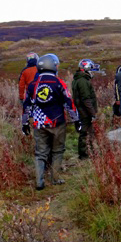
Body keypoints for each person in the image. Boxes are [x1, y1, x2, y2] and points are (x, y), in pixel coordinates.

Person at [22, 53, 80, 190]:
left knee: (40, 153)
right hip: (57, 122)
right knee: (58, 150)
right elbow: (69, 103)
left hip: (39, 124)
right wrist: (76, 120)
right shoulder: (59, 83)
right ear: (53, 66)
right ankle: (55, 178)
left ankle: (39, 181)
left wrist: (24, 123)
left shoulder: (32, 85)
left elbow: (26, 106)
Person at [72, 59, 100, 160]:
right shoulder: (83, 81)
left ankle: (89, 153)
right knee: (85, 132)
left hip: (83, 110)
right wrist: (92, 113)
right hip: (85, 111)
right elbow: (86, 99)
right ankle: (84, 155)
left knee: (87, 132)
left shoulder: (79, 79)